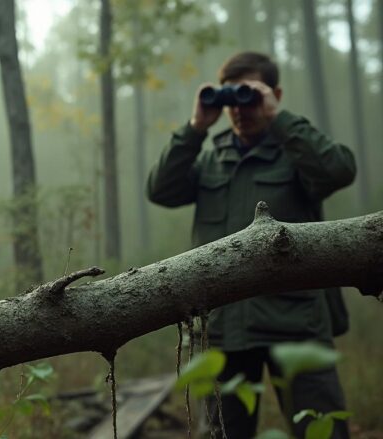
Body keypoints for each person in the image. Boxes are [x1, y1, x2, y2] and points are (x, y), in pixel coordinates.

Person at [146, 51, 356, 438]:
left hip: (296, 325)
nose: (238, 109)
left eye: (250, 95)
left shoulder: (295, 152)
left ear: (274, 94)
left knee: (321, 431)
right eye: (229, 98)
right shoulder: (211, 160)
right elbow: (160, 189)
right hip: (225, 327)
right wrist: (195, 127)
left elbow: (339, 169)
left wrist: (281, 119)